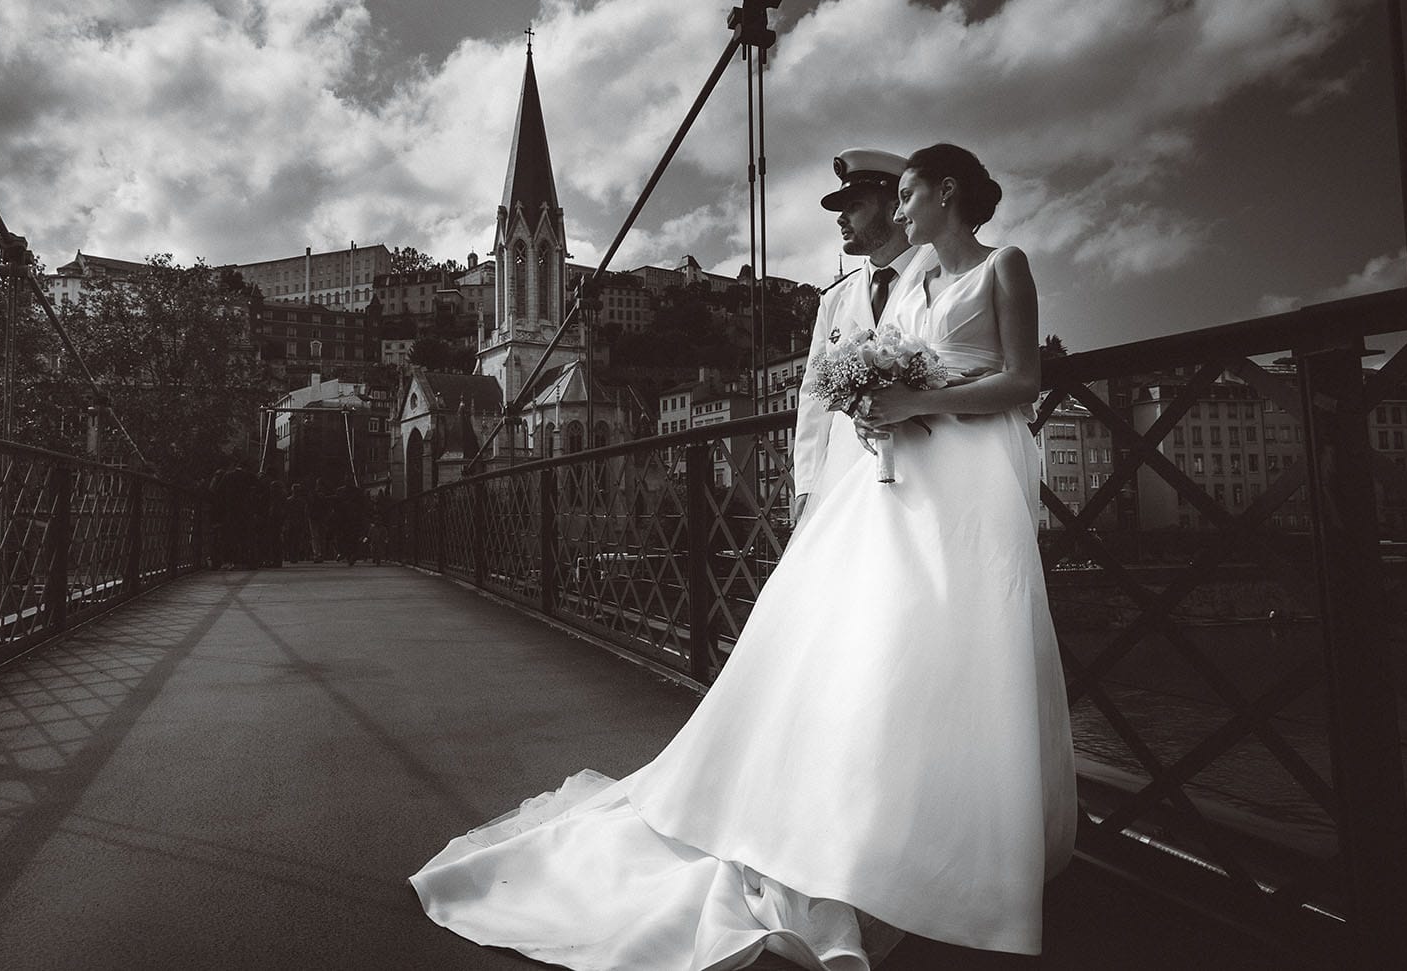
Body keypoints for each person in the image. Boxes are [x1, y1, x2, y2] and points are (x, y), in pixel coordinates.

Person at [410, 142, 1076, 968]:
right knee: (868, 652)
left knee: (947, 645)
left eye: (874, 203)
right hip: (868, 490)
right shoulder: (852, 294)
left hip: (949, 477)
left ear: (920, 197)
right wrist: (806, 494)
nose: (865, 220)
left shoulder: (949, 272)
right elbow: (811, 405)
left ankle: (950, 823)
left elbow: (1008, 373)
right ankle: (866, 818)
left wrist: (904, 402)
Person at [792, 148, 926, 525]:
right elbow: (814, 397)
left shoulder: (940, 274)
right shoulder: (834, 299)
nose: (840, 219)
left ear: (893, 208)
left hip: (922, 468)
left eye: (853, 205)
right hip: (843, 476)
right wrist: (806, 484)